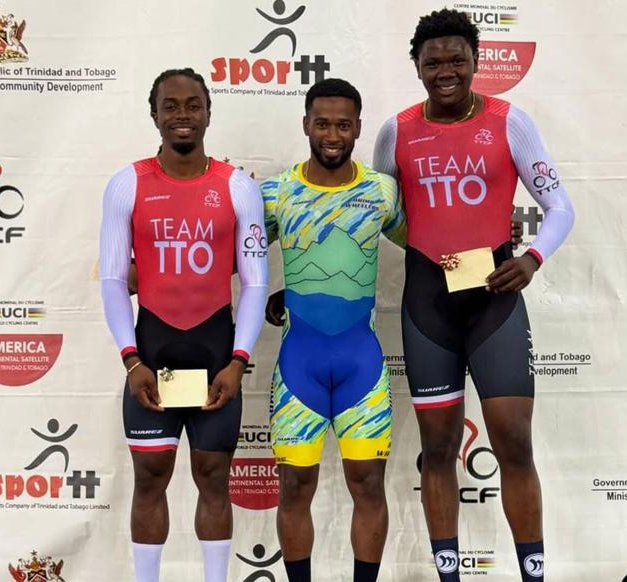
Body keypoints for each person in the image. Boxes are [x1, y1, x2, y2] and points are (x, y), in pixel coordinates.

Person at [372, 9, 575, 582]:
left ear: (476, 62)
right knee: (436, 449)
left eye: (456, 59)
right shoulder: (396, 131)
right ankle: (449, 575)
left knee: (513, 443)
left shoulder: (510, 121)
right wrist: (431, 242)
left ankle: (533, 572)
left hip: (494, 301)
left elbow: (561, 206)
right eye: (432, 61)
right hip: (428, 304)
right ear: (416, 66)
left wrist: (531, 259)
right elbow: (382, 213)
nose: (445, 70)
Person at [98, 68, 268, 582]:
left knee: (213, 477)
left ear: (209, 113)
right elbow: (110, 279)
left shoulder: (238, 186)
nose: (182, 116)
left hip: (218, 355)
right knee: (150, 477)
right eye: (170, 106)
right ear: (154, 115)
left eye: (193, 105)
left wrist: (239, 362)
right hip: (150, 355)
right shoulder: (126, 184)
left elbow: (255, 283)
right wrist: (131, 360)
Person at [260, 78, 405, 582]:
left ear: (358, 128)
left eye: (343, 124)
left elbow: (431, 242)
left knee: (368, 485)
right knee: (295, 489)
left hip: (360, 366)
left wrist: (490, 245)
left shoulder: (382, 192)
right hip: (299, 365)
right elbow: (230, 253)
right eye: (322, 123)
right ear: (305, 124)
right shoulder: (277, 193)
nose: (332, 134)